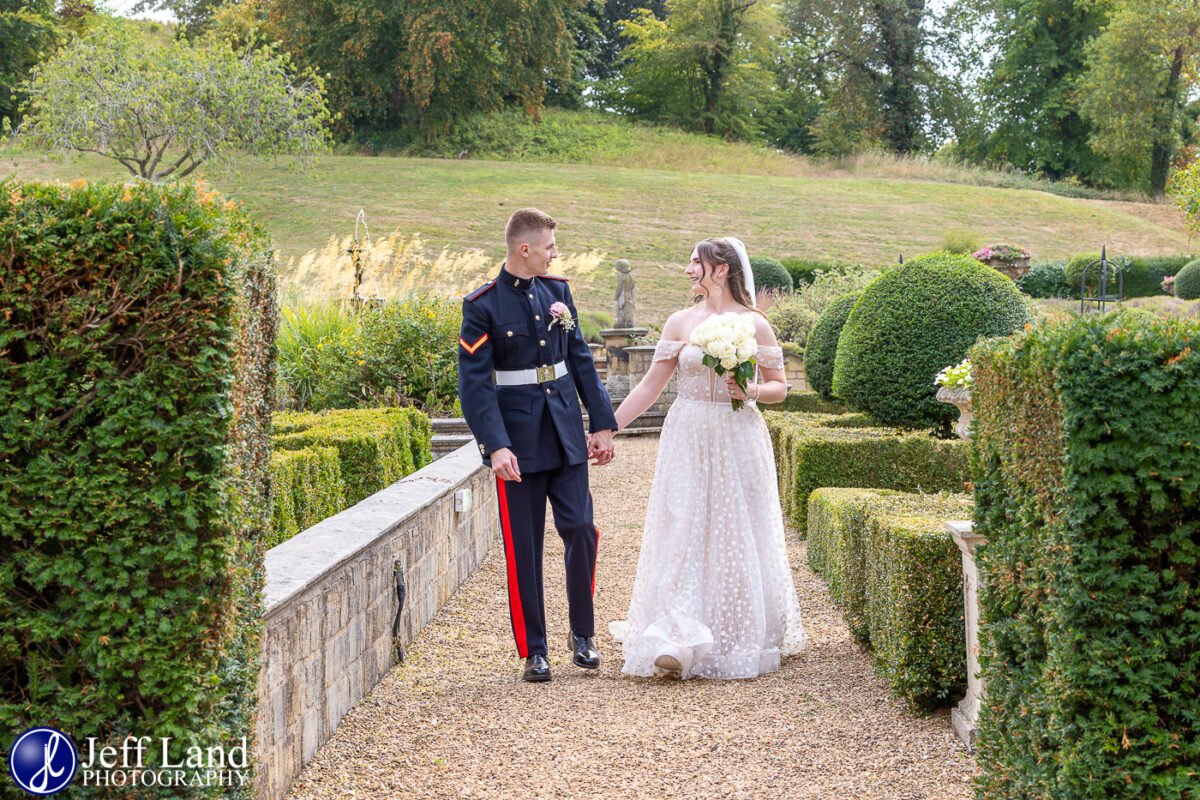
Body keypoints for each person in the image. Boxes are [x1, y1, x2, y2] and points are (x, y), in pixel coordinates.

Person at [608, 237, 806, 679]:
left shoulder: (755, 324)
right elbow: (648, 388)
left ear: (721, 269)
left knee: (736, 526)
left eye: (695, 263)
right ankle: (675, 633)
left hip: (737, 433)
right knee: (682, 523)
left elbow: (779, 388)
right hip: (688, 434)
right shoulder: (679, 321)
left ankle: (735, 629)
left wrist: (750, 390)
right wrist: (607, 426)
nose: (687, 270)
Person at [458, 208, 618, 683]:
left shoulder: (558, 291)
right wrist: (495, 446)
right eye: (550, 246)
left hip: (566, 433)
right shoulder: (482, 305)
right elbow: (475, 386)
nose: (556, 253)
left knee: (582, 529)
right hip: (518, 447)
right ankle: (535, 649)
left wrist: (602, 423)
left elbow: (581, 359)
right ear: (524, 249)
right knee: (523, 548)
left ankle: (582, 635)